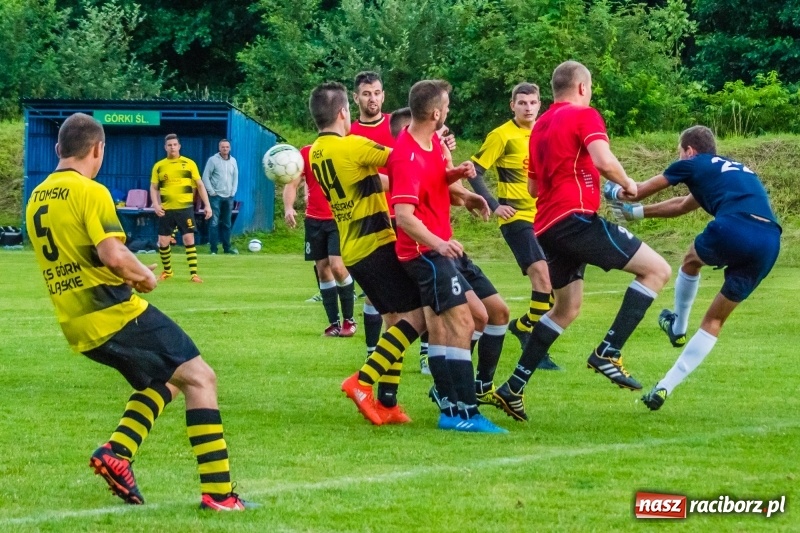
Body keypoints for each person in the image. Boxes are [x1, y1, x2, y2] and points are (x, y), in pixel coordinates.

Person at [25, 113, 250, 510]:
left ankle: (117, 452)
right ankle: (220, 495)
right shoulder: (89, 190)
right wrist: (143, 275)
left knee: (171, 377)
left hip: (76, 322)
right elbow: (112, 253)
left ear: (59, 149)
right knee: (201, 377)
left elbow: (80, 256)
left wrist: (125, 272)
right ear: (98, 150)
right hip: (113, 313)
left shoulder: (37, 197)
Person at [491, 61, 672, 422]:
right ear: (582, 88)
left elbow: (532, 188)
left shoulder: (539, 127)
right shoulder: (584, 115)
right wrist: (629, 185)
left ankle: (513, 387)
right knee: (657, 270)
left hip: (545, 226)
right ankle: (608, 351)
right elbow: (604, 160)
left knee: (566, 309)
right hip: (573, 219)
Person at [605, 125, 781, 410]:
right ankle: (665, 386)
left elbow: (636, 192)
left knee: (690, 260)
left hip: (734, 226)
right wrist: (636, 215)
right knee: (714, 322)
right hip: (770, 241)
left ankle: (678, 326)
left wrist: (613, 189)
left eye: (679, 152)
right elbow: (682, 205)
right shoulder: (731, 170)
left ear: (689, 150)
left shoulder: (692, 163)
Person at [390, 79, 507, 433]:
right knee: (459, 325)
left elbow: (436, 182)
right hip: (425, 253)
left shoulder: (432, 144)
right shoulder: (406, 155)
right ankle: (461, 412)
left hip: (443, 248)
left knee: (483, 315)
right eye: (447, 108)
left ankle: (451, 401)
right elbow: (404, 217)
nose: (448, 112)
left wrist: (465, 191)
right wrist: (439, 245)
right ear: (436, 114)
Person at [306, 82, 425, 425]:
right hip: (374, 243)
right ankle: (362, 381)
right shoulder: (353, 145)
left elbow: (370, 182)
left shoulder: (317, 152)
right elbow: (405, 160)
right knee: (416, 317)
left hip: (353, 248)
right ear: (344, 112)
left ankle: (388, 402)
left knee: (393, 322)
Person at [468, 82, 561, 371]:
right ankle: (534, 347)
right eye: (522, 102)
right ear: (513, 105)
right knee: (543, 279)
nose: (528, 108)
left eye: (532, 102)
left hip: (545, 217)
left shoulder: (545, 131)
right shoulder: (501, 135)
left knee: (555, 287)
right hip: (516, 219)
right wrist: (494, 205)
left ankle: (523, 327)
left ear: (540, 104)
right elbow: (474, 171)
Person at [284, 144, 357, 337]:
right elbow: (292, 183)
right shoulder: (307, 152)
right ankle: (334, 324)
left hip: (339, 218)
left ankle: (349, 320)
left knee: (337, 266)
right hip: (314, 220)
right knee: (323, 270)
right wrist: (288, 207)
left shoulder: (344, 148)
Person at [150, 134, 212, 283]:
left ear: (179, 146)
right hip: (167, 209)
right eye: (169, 145)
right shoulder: (159, 166)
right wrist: (156, 205)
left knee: (188, 238)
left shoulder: (189, 163)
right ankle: (167, 271)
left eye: (174, 145)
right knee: (163, 241)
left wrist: (207, 205)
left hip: (185, 208)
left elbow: (200, 185)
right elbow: (153, 187)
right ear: (165, 147)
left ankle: (194, 274)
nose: (172, 147)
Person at [202, 139, 239, 255]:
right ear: (219, 148)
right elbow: (205, 177)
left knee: (227, 223)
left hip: (229, 197)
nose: (225, 149)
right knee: (214, 223)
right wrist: (211, 192)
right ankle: (213, 249)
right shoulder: (212, 160)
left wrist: (233, 192)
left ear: (230, 148)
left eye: (227, 147)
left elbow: (235, 177)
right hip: (215, 197)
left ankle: (227, 249)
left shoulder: (233, 161)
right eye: (223, 147)